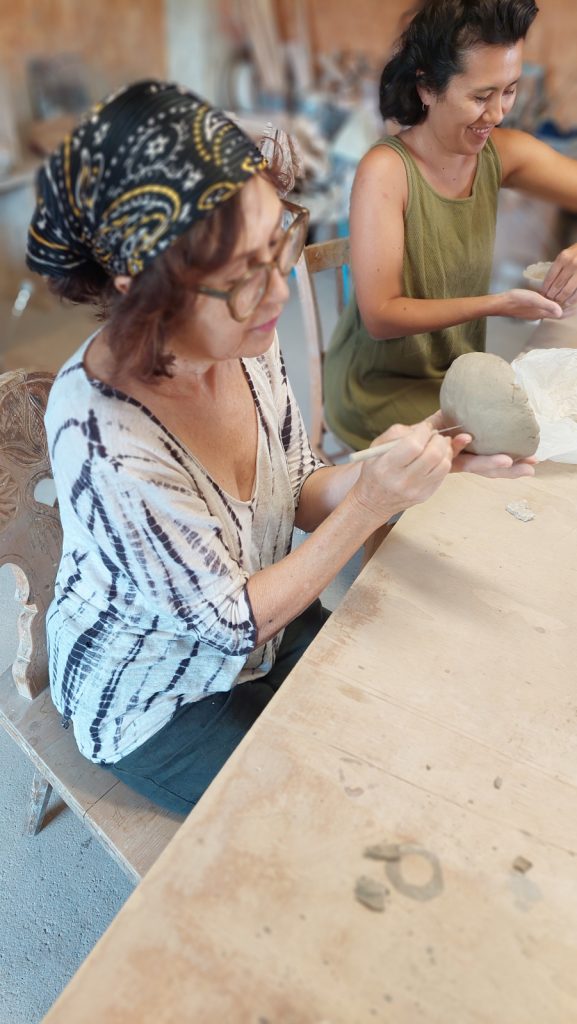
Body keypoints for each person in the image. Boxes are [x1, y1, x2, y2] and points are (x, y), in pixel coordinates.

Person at [26, 80, 533, 817]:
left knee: (397, 721)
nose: (278, 296)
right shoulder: (102, 437)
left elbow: (296, 483)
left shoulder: (242, 339)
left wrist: (407, 460)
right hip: (157, 694)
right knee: (324, 806)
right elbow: (231, 619)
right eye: (240, 278)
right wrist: (367, 506)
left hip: (260, 626)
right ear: (141, 287)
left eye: (280, 246)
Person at [323, 0, 577, 451]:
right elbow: (381, 316)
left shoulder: (503, 152)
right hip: (378, 387)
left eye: (510, 90)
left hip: (458, 375)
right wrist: (496, 303)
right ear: (427, 87)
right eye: (481, 96)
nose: (498, 113)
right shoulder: (386, 171)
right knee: (520, 449)